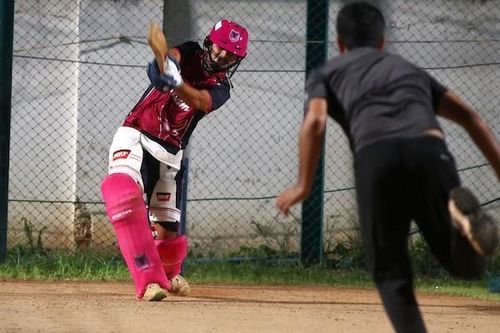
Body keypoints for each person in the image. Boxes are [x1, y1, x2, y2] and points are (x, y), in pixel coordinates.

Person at [276, 2, 499, 332]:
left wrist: (303, 184)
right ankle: (464, 224)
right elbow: (472, 119)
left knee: (391, 273)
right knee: (465, 266)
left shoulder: (327, 72)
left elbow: (315, 121)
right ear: (382, 42)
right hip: (430, 150)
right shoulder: (407, 68)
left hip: (376, 156)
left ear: (339, 44)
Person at [101, 19, 249, 301]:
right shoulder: (191, 51)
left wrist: (177, 83)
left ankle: (168, 276)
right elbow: (168, 62)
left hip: (171, 152)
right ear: (210, 42)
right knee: (123, 196)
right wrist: (163, 65)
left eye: (232, 53)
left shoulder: (223, 87)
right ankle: (147, 281)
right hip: (137, 135)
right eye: (222, 47)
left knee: (169, 233)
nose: (224, 55)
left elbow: (200, 101)